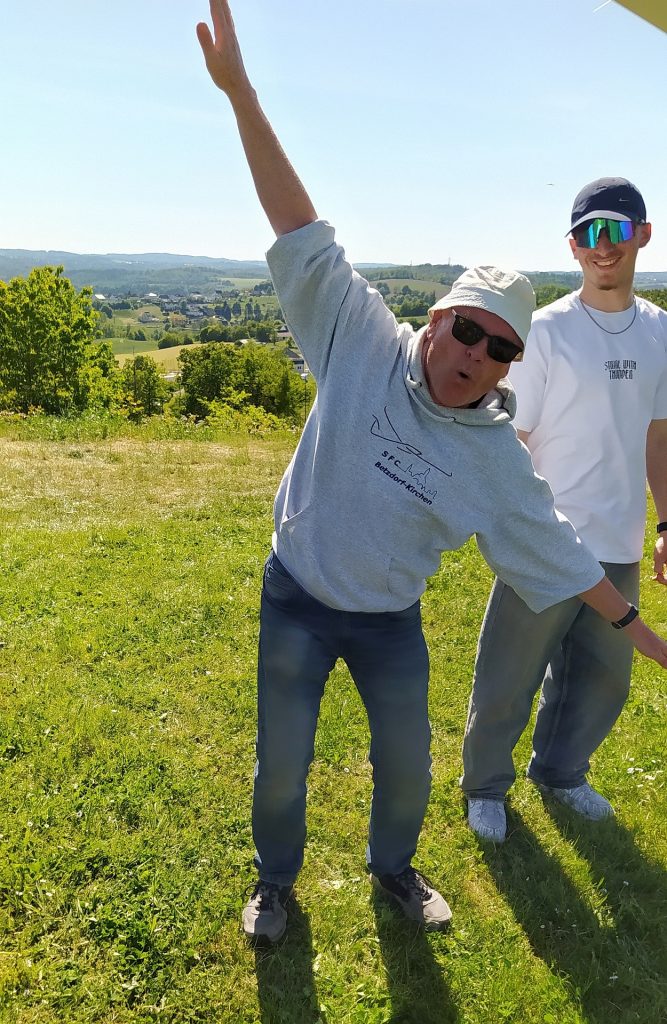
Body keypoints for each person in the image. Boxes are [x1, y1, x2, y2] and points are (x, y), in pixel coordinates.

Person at [196, 3, 667, 942]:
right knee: (282, 763)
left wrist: (648, 641)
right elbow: (299, 223)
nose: (474, 355)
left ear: (510, 364)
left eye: (499, 348)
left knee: (406, 767)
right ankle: (274, 883)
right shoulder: (359, 337)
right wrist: (242, 95)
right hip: (297, 595)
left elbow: (560, 552)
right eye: (467, 329)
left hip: (388, 622)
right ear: (438, 316)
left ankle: (395, 871)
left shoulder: (491, 452)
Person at [462, 177, 667, 844]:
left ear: (642, 235)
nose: (601, 246)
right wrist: (510, 527)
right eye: (587, 233)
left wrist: (665, 524)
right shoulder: (546, 331)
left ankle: (560, 772)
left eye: (615, 230)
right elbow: (513, 440)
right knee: (509, 675)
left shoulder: (660, 332)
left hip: (618, 539)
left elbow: (657, 439)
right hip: (545, 539)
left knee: (603, 681)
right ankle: (485, 787)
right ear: (572, 246)